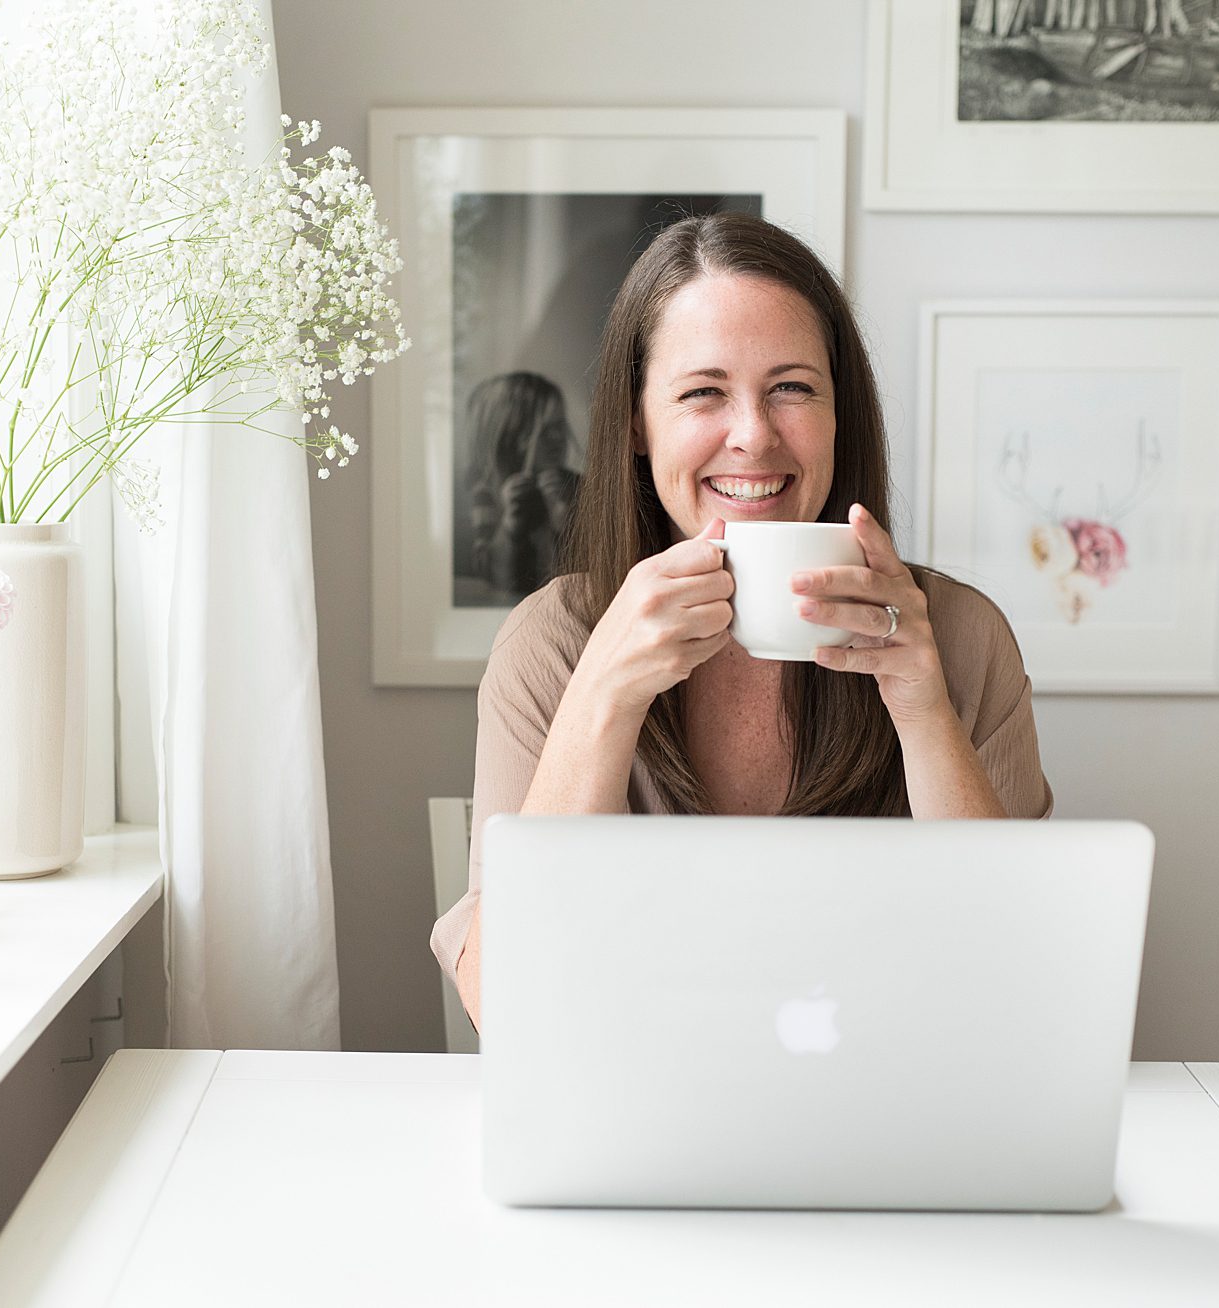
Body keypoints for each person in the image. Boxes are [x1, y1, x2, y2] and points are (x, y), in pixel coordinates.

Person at [431, 213, 1053, 1029]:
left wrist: (923, 712)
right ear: (635, 425)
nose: (753, 436)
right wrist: (602, 700)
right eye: (703, 393)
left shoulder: (961, 639)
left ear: (840, 416)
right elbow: (502, 1006)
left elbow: (1019, 990)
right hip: (641, 1119)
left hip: (891, 1118)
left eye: (792, 387)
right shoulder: (553, 641)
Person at [465, 371, 583, 600]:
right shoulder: (488, 493)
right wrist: (510, 527)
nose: (558, 437)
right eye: (544, 430)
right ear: (512, 435)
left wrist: (565, 520)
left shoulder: (578, 487)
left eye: (560, 426)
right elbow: (487, 574)